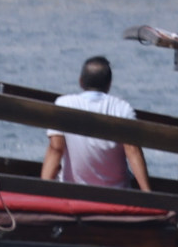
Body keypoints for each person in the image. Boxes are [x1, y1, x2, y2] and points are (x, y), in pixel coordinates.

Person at [42, 54, 148, 196]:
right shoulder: (123, 108)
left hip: (72, 192)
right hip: (116, 195)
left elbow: (56, 149)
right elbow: (133, 151)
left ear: (81, 82)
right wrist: (147, 193)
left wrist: (41, 191)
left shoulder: (64, 104)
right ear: (109, 83)